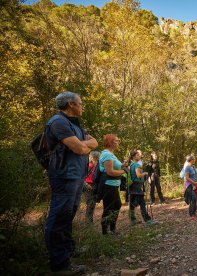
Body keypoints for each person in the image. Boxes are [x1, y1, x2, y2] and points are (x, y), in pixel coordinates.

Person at [44, 91, 98, 274]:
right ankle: (60, 264)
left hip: (76, 177)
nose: (82, 106)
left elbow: (95, 143)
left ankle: (68, 250)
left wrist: (86, 144)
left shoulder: (75, 125)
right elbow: (81, 148)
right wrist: (85, 144)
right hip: (64, 176)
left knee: (68, 215)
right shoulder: (58, 122)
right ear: (70, 105)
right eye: (80, 103)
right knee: (59, 217)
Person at [99, 134, 127, 235]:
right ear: (110, 142)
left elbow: (117, 167)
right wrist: (123, 171)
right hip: (108, 185)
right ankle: (106, 232)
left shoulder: (111, 154)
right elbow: (110, 172)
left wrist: (123, 165)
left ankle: (112, 228)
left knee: (116, 205)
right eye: (116, 140)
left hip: (114, 184)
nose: (118, 142)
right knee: (108, 207)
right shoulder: (106, 154)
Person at [128, 150, 157, 226]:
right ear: (133, 156)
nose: (139, 156)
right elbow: (138, 175)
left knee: (132, 204)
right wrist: (145, 173)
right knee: (142, 203)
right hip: (137, 186)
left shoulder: (131, 164)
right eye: (137, 155)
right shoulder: (136, 165)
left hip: (132, 186)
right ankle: (148, 220)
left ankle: (133, 220)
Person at [84, 151, 100, 223]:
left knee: (91, 203)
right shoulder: (90, 165)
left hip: (92, 184)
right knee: (90, 203)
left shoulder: (94, 164)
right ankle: (88, 222)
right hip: (89, 185)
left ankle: (89, 221)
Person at [184, 155, 197, 219]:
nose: (194, 160)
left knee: (195, 199)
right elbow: (187, 178)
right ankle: (191, 213)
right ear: (190, 160)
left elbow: (196, 175)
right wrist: (193, 183)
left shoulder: (194, 166)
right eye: (193, 159)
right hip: (189, 185)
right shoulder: (187, 167)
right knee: (193, 198)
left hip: (195, 185)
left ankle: (194, 212)